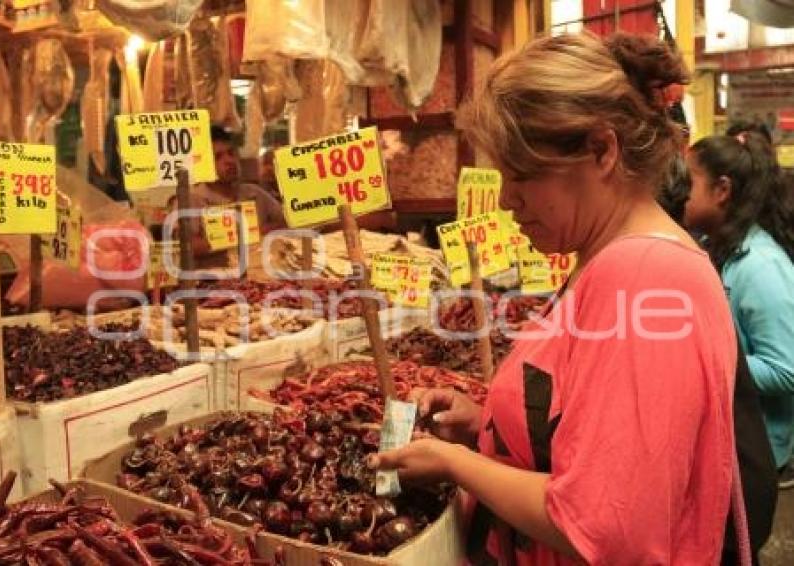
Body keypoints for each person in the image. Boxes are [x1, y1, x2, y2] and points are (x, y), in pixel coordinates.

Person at [370, 32, 741, 565]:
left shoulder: (644, 277)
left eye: (522, 175)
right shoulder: (611, 259)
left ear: (601, 149)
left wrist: (456, 465)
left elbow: (607, 525)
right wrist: (488, 424)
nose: (504, 199)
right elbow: (604, 436)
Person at [684, 134, 794, 485]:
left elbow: (785, 369)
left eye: (688, 181)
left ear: (722, 190)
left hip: (751, 449)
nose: (677, 190)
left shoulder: (760, 266)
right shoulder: (714, 247)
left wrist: (703, 360)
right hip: (725, 438)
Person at [183, 127, 286, 268]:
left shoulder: (254, 192)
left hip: (259, 279)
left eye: (231, 153)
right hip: (211, 284)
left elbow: (287, 220)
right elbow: (187, 246)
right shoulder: (192, 200)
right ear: (203, 165)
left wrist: (266, 230)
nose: (229, 161)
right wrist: (252, 234)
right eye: (218, 157)